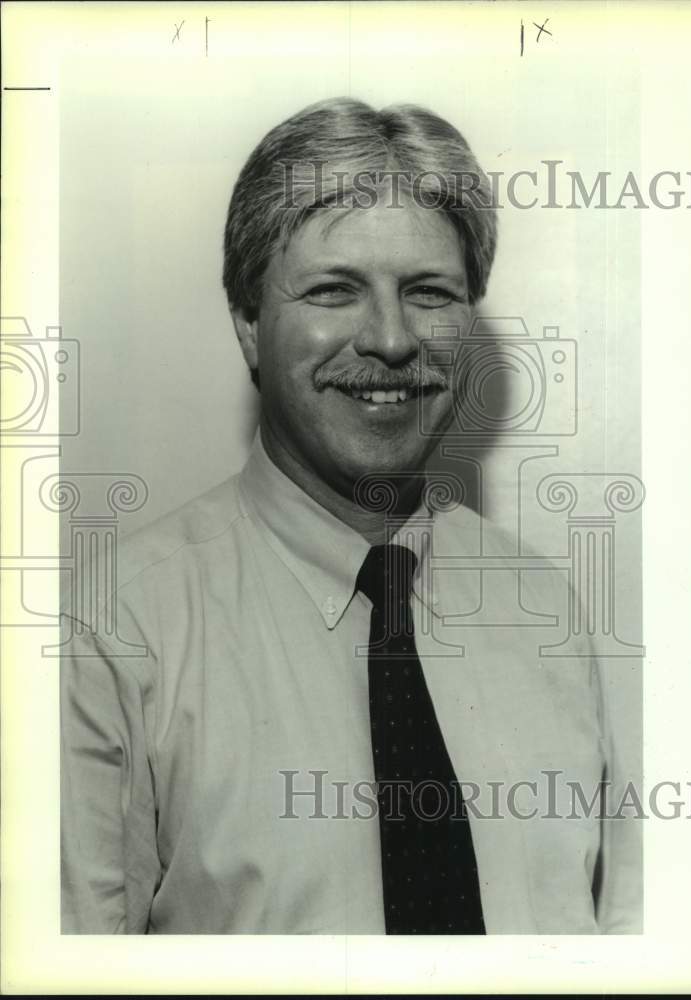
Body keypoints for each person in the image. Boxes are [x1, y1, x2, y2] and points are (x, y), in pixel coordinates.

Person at [60, 97, 641, 934]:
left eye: (429, 292)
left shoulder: (545, 607)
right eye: (335, 289)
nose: (393, 340)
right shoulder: (117, 625)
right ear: (249, 325)